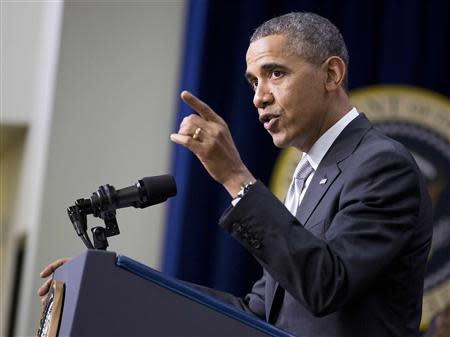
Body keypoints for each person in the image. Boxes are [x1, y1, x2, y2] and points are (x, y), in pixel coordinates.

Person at [39, 12, 433, 337]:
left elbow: (326, 284)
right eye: (253, 81)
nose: (259, 96)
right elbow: (258, 312)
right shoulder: (311, 175)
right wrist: (116, 286)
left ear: (331, 75)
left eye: (275, 74)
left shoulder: (381, 165)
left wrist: (235, 177)